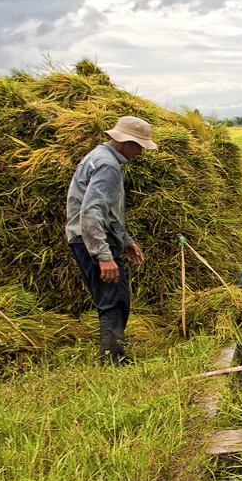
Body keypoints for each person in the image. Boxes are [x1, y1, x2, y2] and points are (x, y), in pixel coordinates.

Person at [65, 116, 157, 365]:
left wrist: (124, 240)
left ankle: (114, 355)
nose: (139, 152)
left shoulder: (98, 157)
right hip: (93, 240)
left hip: (92, 238)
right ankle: (112, 361)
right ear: (126, 142)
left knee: (115, 298)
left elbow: (108, 211)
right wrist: (103, 255)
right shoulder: (108, 166)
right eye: (138, 146)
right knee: (113, 300)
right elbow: (92, 212)